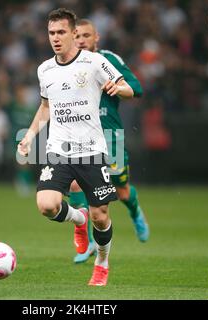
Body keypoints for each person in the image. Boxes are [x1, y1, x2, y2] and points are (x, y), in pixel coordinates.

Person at [18, 8, 134, 286]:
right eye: (51, 33)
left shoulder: (94, 62)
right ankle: (77, 220)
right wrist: (30, 136)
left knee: (101, 216)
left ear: (72, 34)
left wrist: (118, 89)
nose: (55, 38)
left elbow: (127, 87)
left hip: (92, 151)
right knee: (46, 205)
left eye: (61, 32)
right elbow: (46, 107)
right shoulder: (44, 69)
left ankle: (102, 263)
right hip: (59, 149)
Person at [71, 19, 149, 264]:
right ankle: (90, 241)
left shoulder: (108, 60)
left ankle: (135, 212)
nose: (81, 40)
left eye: (86, 35)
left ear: (97, 38)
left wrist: (116, 85)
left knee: (121, 192)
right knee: (75, 185)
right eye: (78, 36)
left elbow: (136, 88)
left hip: (109, 137)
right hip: (80, 136)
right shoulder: (66, 63)